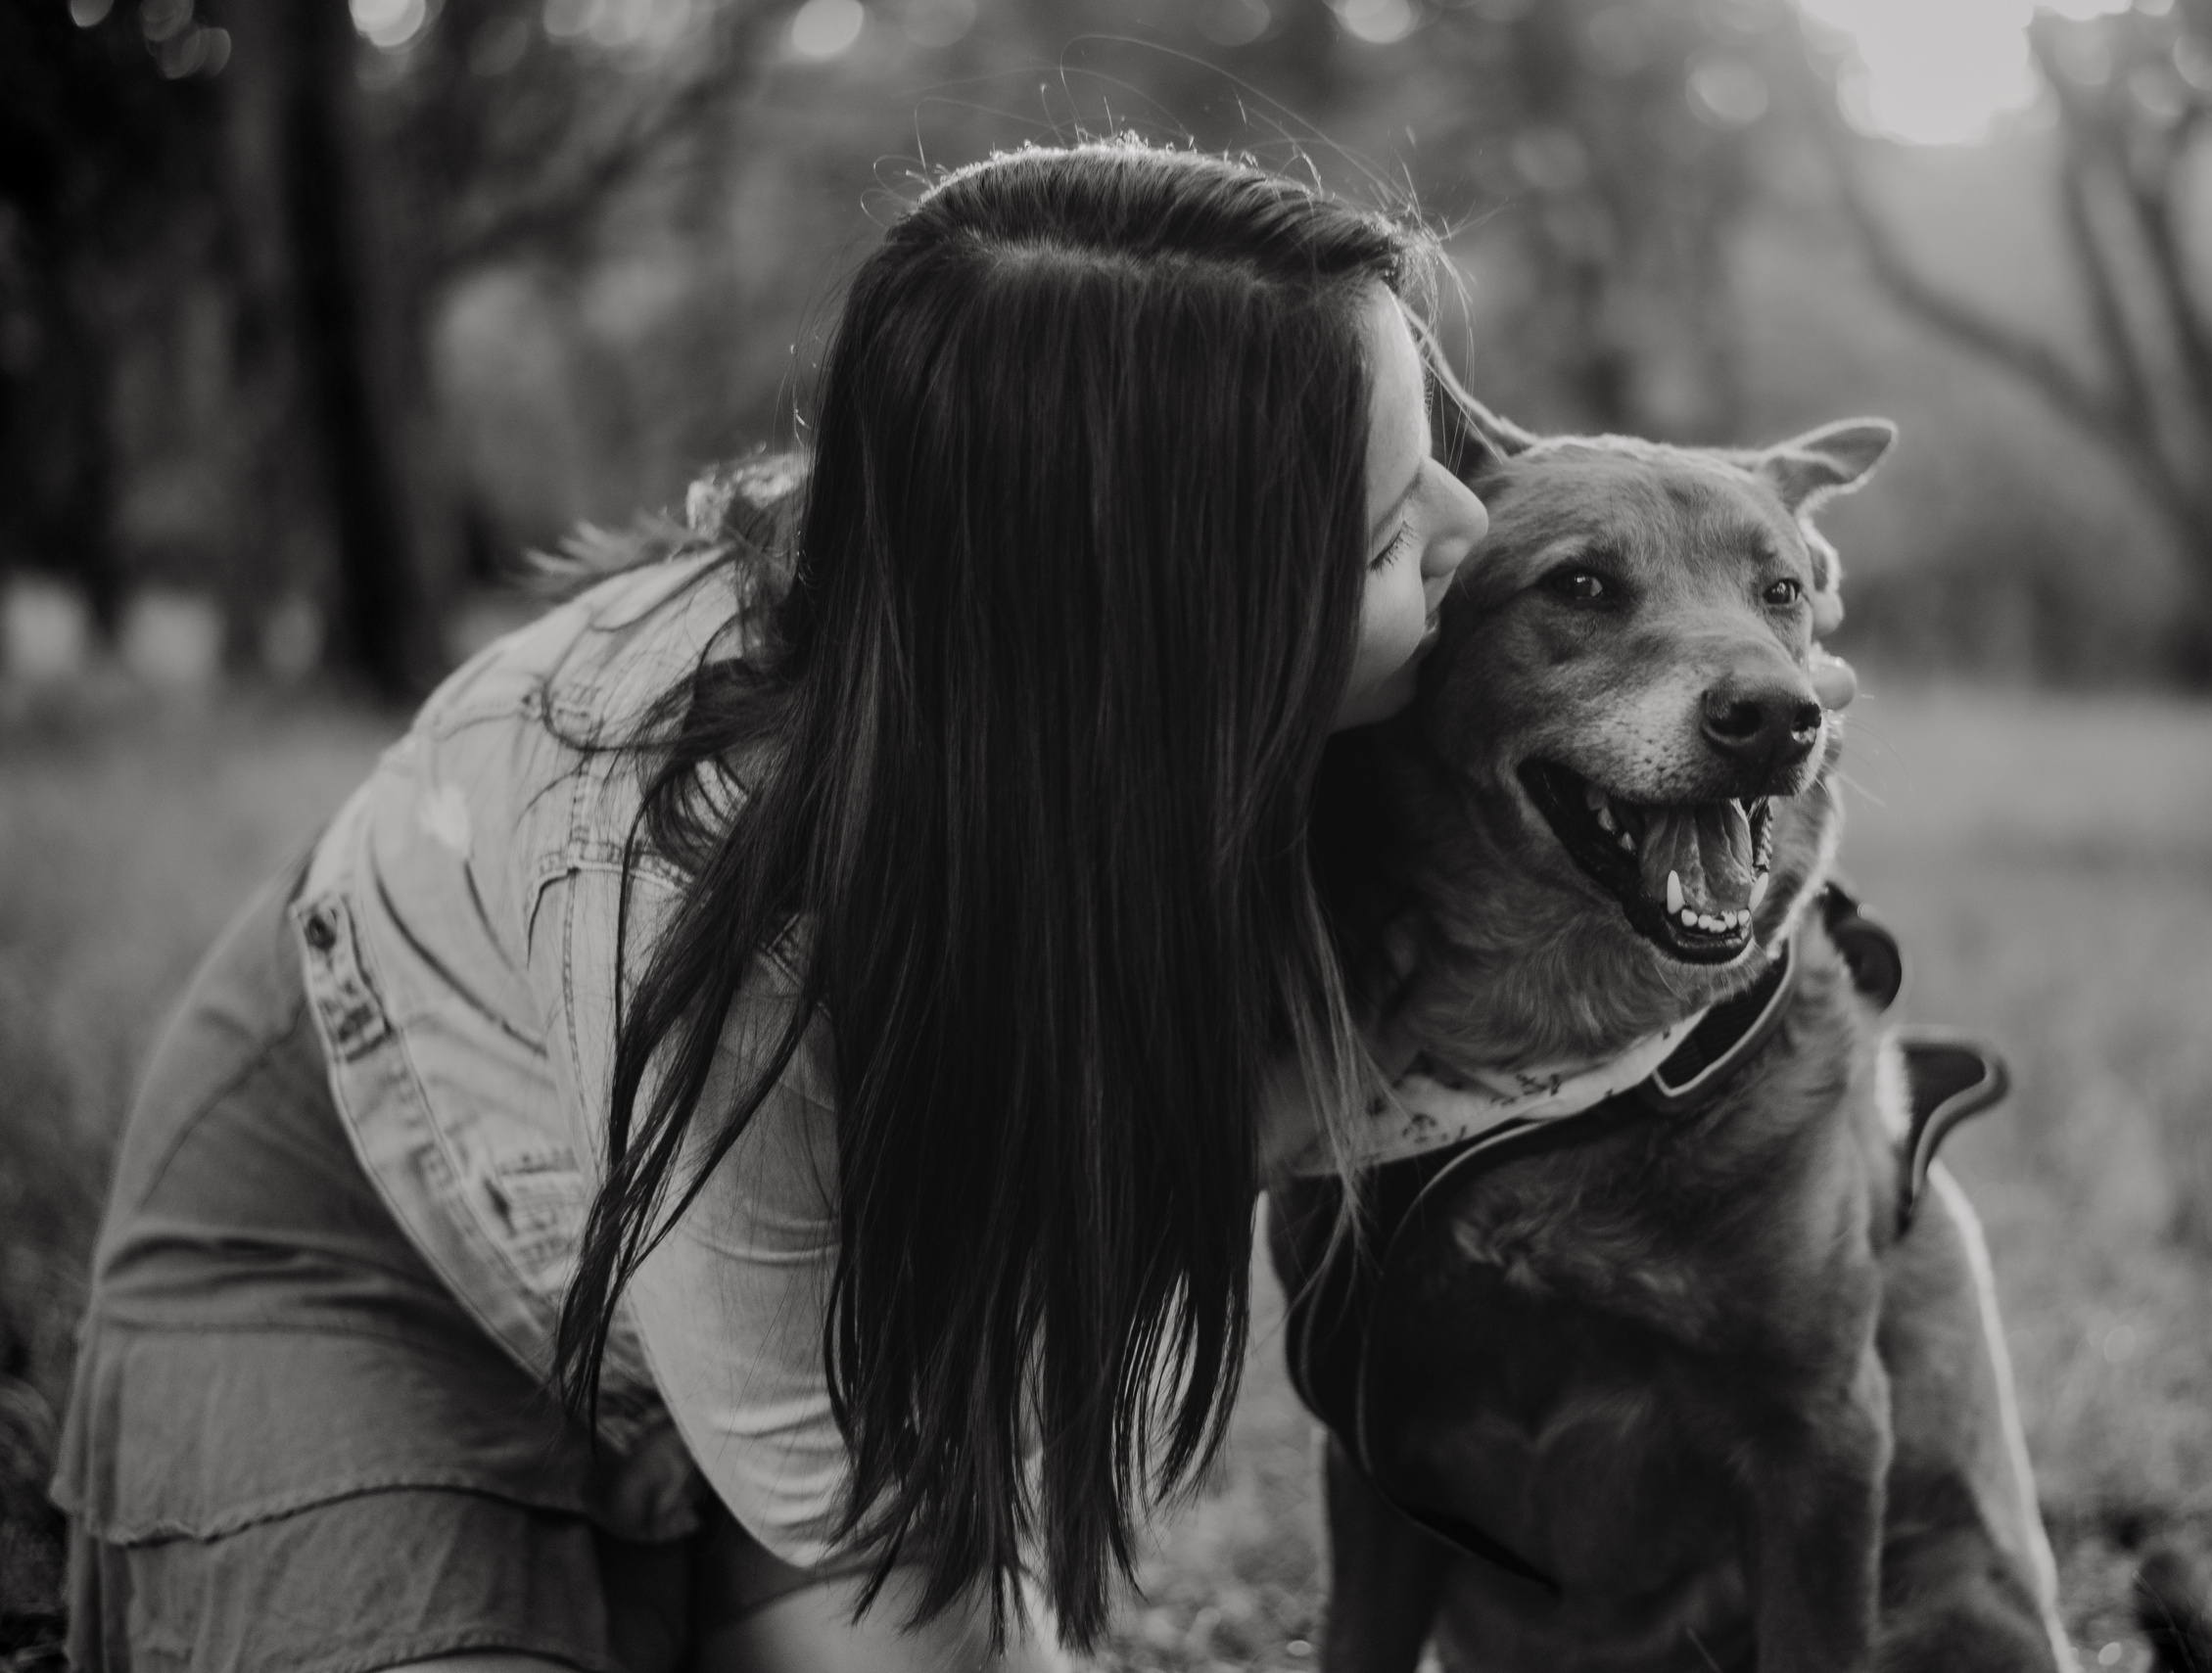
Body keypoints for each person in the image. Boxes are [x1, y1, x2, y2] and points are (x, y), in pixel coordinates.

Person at [47, 140, 1488, 1673]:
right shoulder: (703, 888)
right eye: (1391, 535)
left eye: (1439, 454)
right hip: (367, 1241)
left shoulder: (1040, 667)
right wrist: (1234, 1132)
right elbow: (903, 1513)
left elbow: (976, 1467)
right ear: (1168, 640)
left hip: (752, 1318)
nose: (1474, 527)